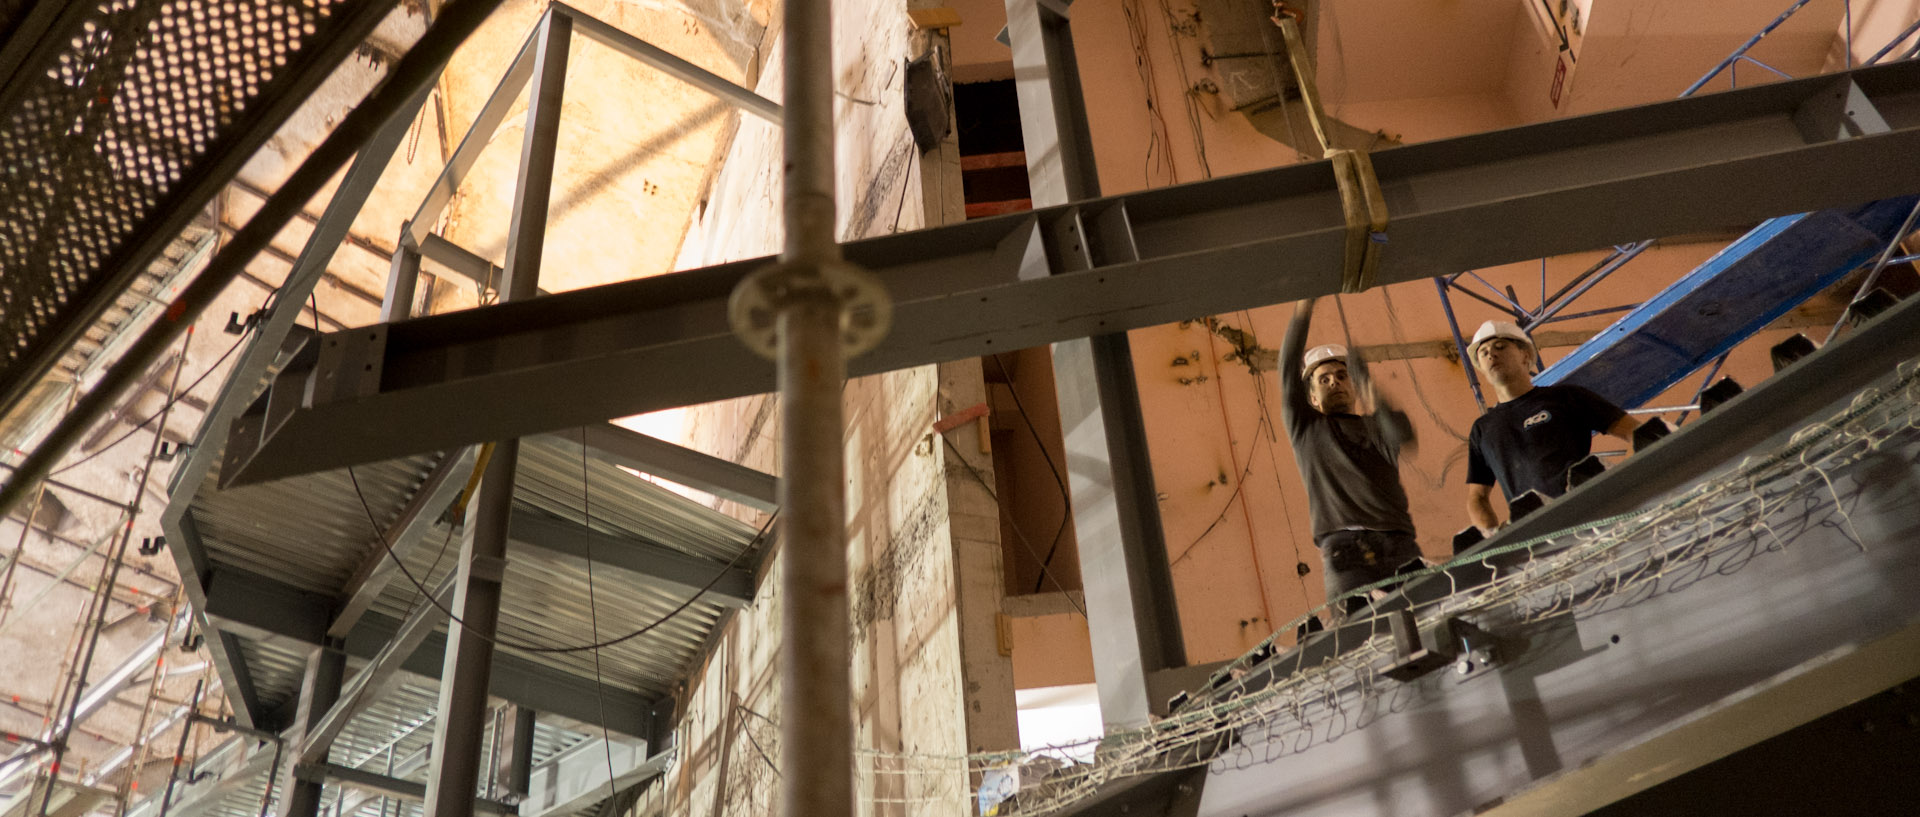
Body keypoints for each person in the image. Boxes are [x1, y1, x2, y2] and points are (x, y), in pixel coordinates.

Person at [1279, 297, 1421, 618]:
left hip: (1397, 543)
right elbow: (1287, 371)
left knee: (1423, 620)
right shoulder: (1307, 429)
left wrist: (1369, 385)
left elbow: (1403, 436)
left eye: (1343, 376)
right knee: (1359, 637)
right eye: (1324, 379)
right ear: (1312, 397)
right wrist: (1303, 309)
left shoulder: (1377, 428)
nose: (1335, 383)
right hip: (1344, 550)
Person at [1463, 320, 1640, 534]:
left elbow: (1636, 432)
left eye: (1500, 346)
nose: (1491, 354)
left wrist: (1621, 484)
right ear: (1481, 368)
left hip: (1594, 513)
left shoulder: (1566, 397)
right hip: (1538, 534)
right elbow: (1477, 497)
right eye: (1483, 353)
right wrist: (1493, 534)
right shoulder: (1482, 430)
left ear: (1525, 355)